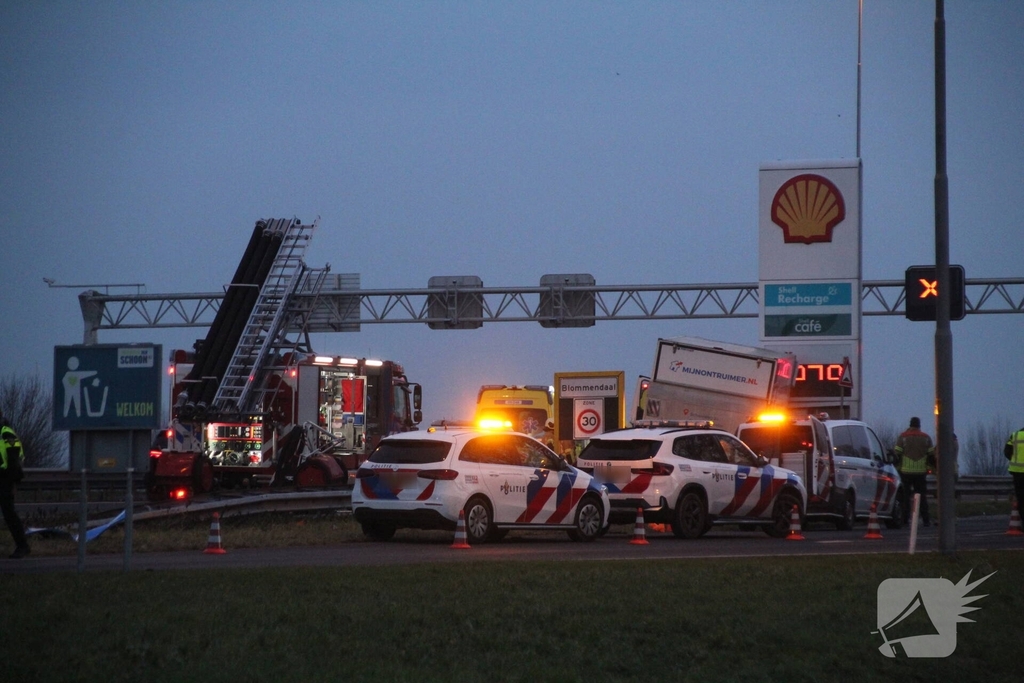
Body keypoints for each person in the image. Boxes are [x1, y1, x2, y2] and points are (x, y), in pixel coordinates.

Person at [894, 416, 935, 527]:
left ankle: (905, 520)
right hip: (921, 473)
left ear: (910, 424)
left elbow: (897, 455)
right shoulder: (926, 438)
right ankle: (926, 520)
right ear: (919, 425)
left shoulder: (903, 437)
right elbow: (931, 456)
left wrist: (897, 468)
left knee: (906, 497)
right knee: (922, 497)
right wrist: (931, 468)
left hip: (905, 472)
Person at [0, 411, 30, 558]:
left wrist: (11, 482)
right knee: (8, 513)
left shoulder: (6, 433)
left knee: (9, 514)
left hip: (4, 478)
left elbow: (13, 459)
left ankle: (22, 546)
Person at [1005, 426, 1024, 510]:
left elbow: (1007, 452)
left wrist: (1014, 460)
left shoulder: (1015, 435)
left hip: (1017, 472)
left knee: (1020, 497)